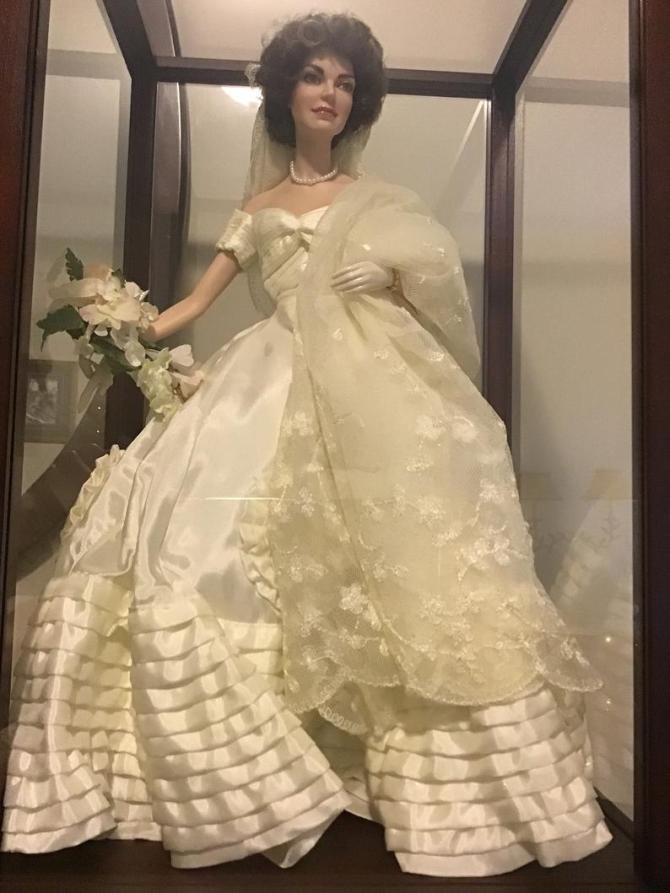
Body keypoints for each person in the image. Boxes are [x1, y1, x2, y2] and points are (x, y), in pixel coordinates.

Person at [1, 11, 612, 877]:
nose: (330, 94)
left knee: (393, 541)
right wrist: (122, 324)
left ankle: (415, 761)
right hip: (267, 372)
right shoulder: (256, 209)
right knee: (204, 528)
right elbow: (195, 305)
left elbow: (434, 284)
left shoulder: (380, 202)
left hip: (367, 377)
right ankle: (246, 761)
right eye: (315, 76)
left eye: (345, 82)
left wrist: (390, 275)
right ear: (286, 91)